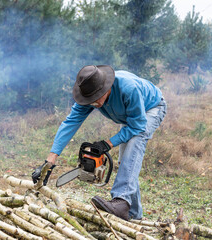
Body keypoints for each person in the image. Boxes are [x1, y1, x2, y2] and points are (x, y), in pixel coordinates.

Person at [32, 65, 166, 220]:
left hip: (150, 109)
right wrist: (50, 161)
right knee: (127, 163)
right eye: (90, 100)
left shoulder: (128, 88)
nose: (93, 103)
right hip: (130, 117)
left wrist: (108, 143)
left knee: (134, 146)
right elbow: (70, 123)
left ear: (106, 88)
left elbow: (138, 125)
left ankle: (122, 201)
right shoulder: (88, 96)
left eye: (96, 98)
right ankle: (133, 214)